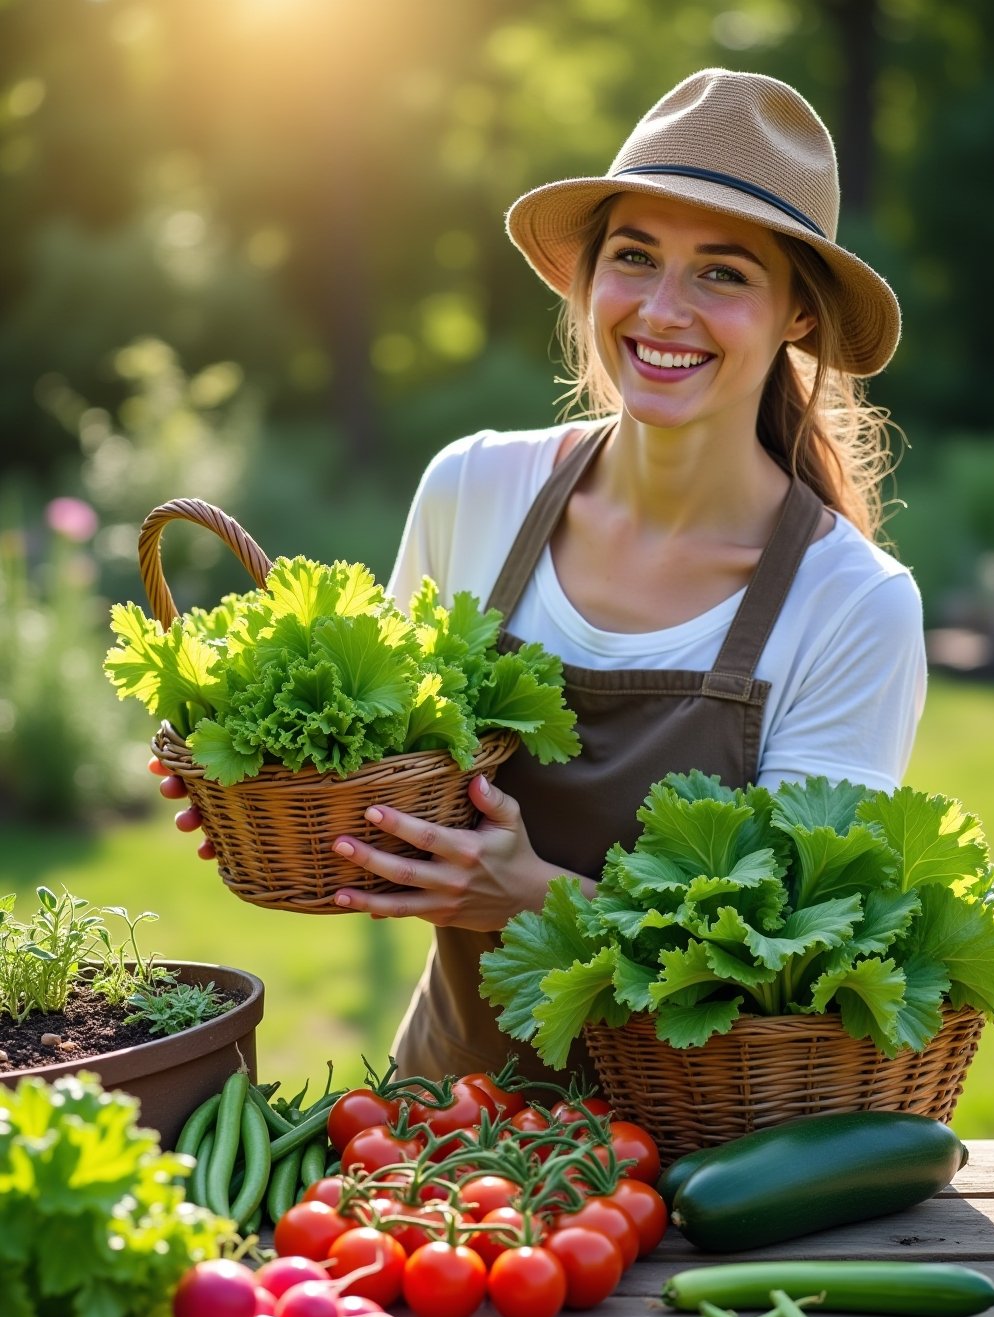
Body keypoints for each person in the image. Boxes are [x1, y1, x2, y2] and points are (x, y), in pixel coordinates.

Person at [159, 66, 927, 1085]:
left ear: (796, 314)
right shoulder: (472, 490)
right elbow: (397, 777)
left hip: (695, 1161)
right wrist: (276, 789)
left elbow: (798, 958)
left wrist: (536, 897)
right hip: (440, 1121)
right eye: (634, 256)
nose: (661, 309)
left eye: (722, 273)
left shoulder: (851, 604)